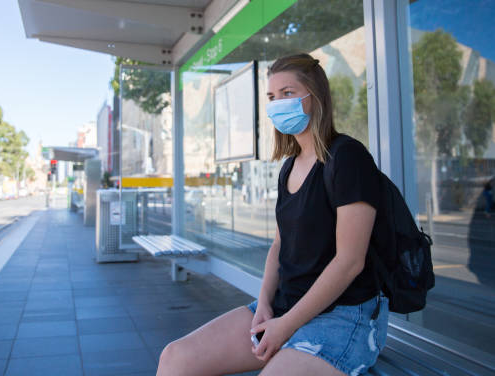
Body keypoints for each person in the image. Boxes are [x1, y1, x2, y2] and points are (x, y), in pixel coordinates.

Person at [156, 54, 388, 376]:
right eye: (271, 97)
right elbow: (279, 247)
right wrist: (263, 303)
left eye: (288, 93)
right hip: (284, 306)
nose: (277, 103)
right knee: (175, 358)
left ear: (315, 97)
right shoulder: (289, 166)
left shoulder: (347, 158)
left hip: (343, 317)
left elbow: (350, 261)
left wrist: (285, 326)